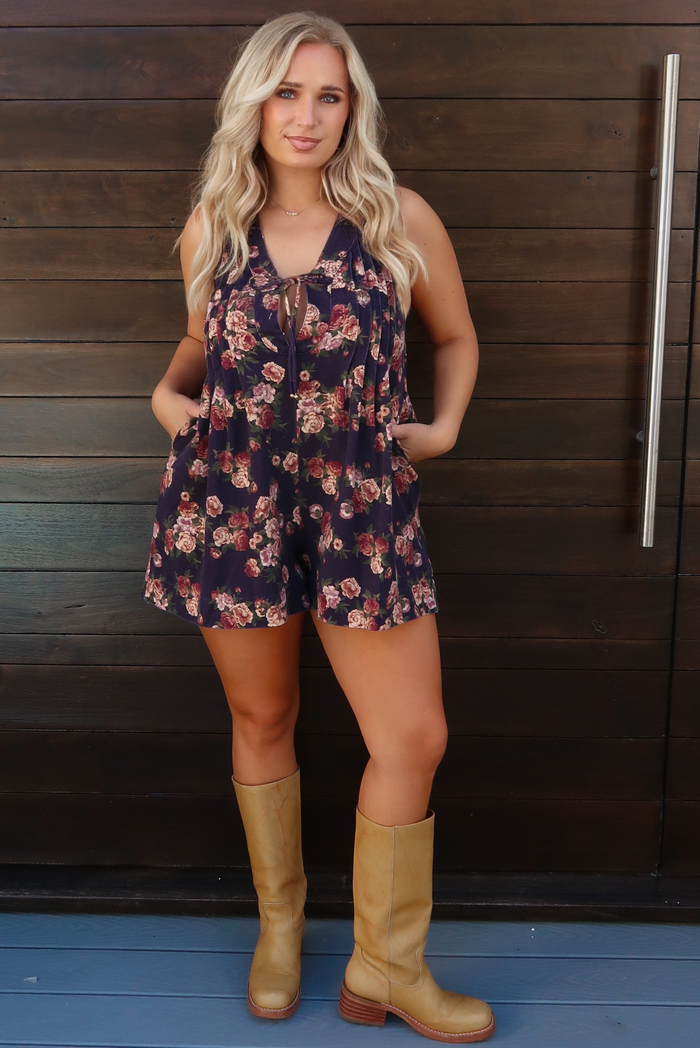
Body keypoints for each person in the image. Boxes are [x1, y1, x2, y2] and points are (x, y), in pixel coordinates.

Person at [142, 10, 494, 1043]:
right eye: (286, 93)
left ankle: (388, 965)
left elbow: (457, 336)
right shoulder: (212, 227)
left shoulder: (399, 219)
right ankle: (281, 931)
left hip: (360, 510)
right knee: (263, 718)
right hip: (234, 507)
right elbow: (192, 355)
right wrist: (170, 405)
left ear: (353, 109)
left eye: (327, 95)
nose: (305, 115)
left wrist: (440, 429)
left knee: (412, 736)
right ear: (253, 102)